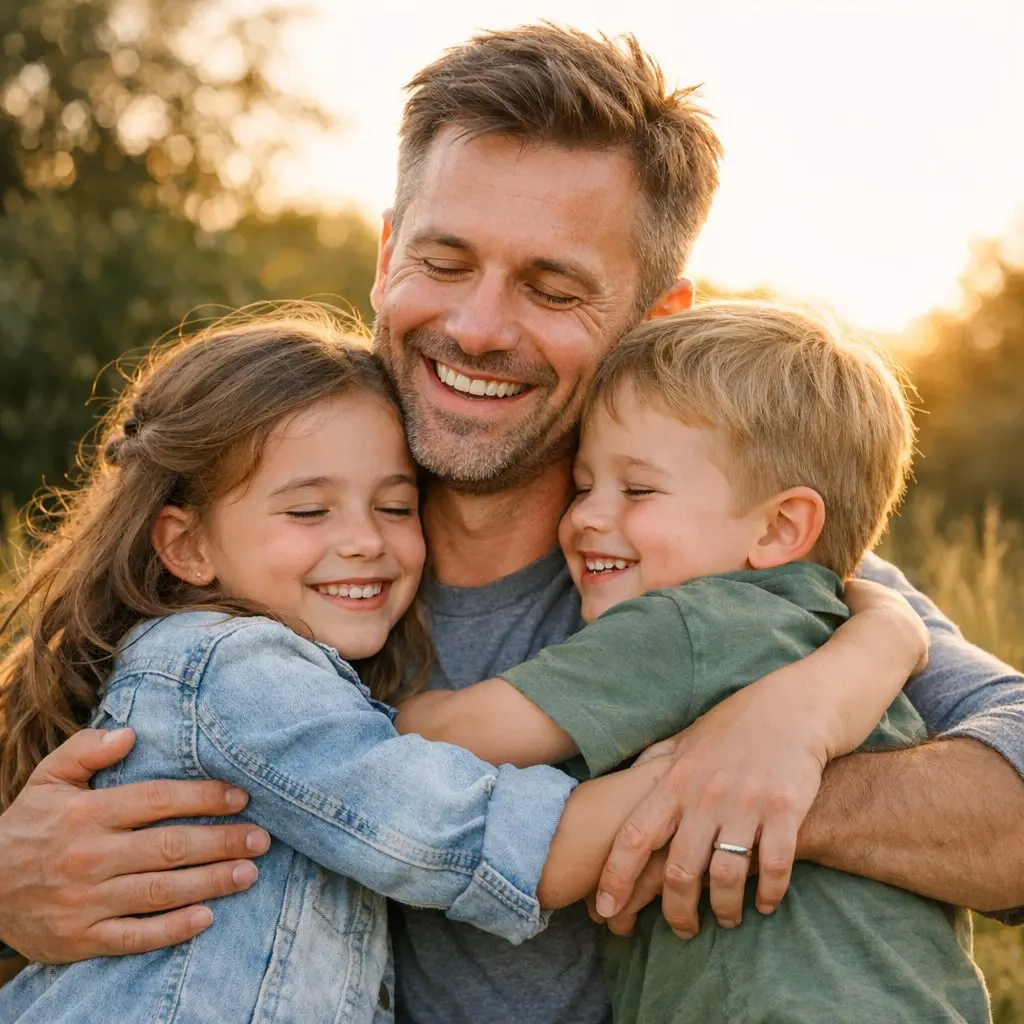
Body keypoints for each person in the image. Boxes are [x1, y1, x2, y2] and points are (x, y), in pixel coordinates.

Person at [0, 24, 1022, 1024]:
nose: (479, 327)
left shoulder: (713, 560)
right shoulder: (268, 549)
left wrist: (782, 751)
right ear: (387, 253)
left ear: (654, 320)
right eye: (444, 262)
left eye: (551, 286)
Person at [0, 310, 722, 1021]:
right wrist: (700, 770)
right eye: (310, 512)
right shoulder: (236, 670)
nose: (363, 541)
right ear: (187, 547)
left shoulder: (295, 669)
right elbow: (475, 841)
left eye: (395, 506)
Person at [395, 303, 992, 1022]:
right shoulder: (830, 616)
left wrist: (356, 703)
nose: (586, 517)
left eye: (636, 490)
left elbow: (458, 733)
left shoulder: (690, 623)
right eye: (582, 487)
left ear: (779, 527)